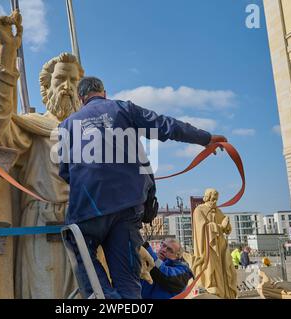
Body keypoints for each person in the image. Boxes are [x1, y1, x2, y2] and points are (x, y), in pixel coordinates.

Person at [58, 76, 227, 299]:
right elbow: (166, 125)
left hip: (90, 211)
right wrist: (205, 138)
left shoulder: (67, 125)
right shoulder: (124, 109)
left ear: (81, 99)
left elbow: (64, 172)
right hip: (128, 209)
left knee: (79, 247)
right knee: (128, 280)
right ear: (104, 92)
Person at [0, 10, 83, 298]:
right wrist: (7, 53)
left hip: (87, 228)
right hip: (41, 231)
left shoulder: (94, 136)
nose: (67, 87)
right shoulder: (31, 128)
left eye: (74, 81)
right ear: (46, 89)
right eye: (60, 80)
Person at [189, 188, 238, 298]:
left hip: (220, 247)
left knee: (226, 268)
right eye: (213, 199)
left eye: (216, 199)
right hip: (208, 247)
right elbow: (202, 228)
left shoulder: (218, 211)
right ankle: (213, 290)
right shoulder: (199, 210)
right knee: (211, 269)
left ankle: (225, 293)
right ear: (207, 198)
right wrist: (220, 227)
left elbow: (226, 228)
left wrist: (227, 226)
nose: (215, 202)